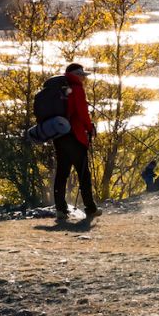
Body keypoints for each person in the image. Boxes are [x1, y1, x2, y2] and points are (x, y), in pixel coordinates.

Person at [54, 63, 100, 221]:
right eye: (82, 75)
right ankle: (91, 208)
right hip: (75, 135)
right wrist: (89, 127)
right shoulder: (77, 88)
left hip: (59, 135)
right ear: (77, 75)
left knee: (62, 173)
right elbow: (82, 113)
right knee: (83, 173)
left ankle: (60, 209)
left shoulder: (60, 87)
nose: (83, 78)